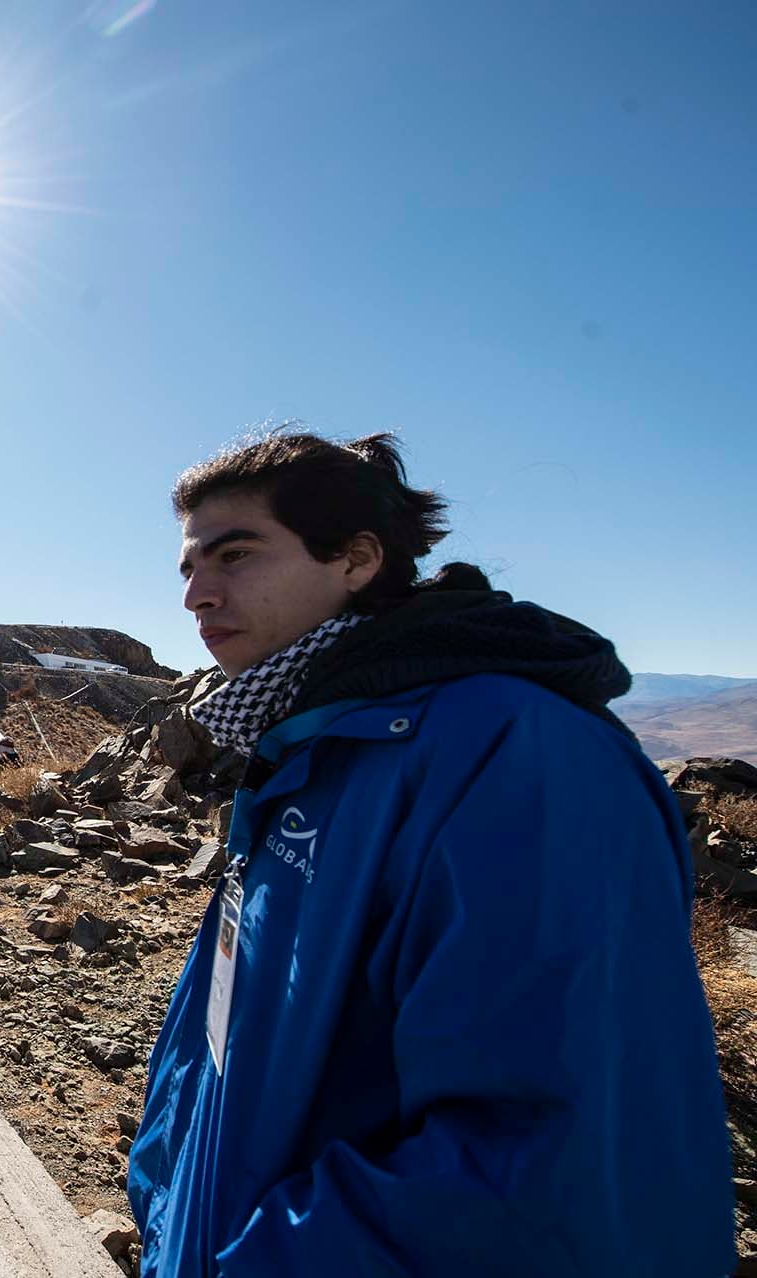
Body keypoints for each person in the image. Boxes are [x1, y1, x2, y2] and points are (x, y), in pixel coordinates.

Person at [127, 432, 732, 1276]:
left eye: (235, 555)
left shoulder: (516, 757)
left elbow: (539, 1167)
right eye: (187, 569)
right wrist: (168, 1200)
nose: (197, 594)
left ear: (357, 558)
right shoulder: (319, 744)